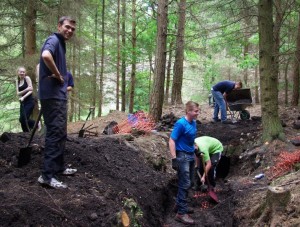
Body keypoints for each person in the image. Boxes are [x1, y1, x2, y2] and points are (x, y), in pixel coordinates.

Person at [37, 16, 77, 189]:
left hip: (57, 96)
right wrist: (59, 75)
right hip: (52, 96)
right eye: (67, 27)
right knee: (54, 133)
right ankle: (46, 176)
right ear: (59, 26)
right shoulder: (53, 40)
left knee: (60, 133)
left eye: (72, 29)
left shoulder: (60, 43)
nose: (69, 31)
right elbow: (45, 55)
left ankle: (58, 167)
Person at [169, 101, 199, 225]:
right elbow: (171, 140)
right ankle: (181, 214)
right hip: (182, 156)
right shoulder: (180, 124)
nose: (198, 113)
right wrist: (174, 158)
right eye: (196, 111)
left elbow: (191, 139)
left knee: (190, 182)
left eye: (198, 110)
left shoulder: (194, 123)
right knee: (184, 182)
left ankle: (179, 204)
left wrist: (196, 147)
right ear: (189, 111)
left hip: (191, 155)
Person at [16, 66, 35, 132]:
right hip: (22, 102)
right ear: (18, 72)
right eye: (21, 72)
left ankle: (36, 124)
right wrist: (26, 89)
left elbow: (31, 90)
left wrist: (23, 97)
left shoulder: (27, 78)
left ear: (25, 73)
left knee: (24, 118)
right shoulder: (17, 81)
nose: (22, 73)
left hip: (29, 101)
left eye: (23, 72)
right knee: (21, 119)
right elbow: (18, 93)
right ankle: (26, 133)